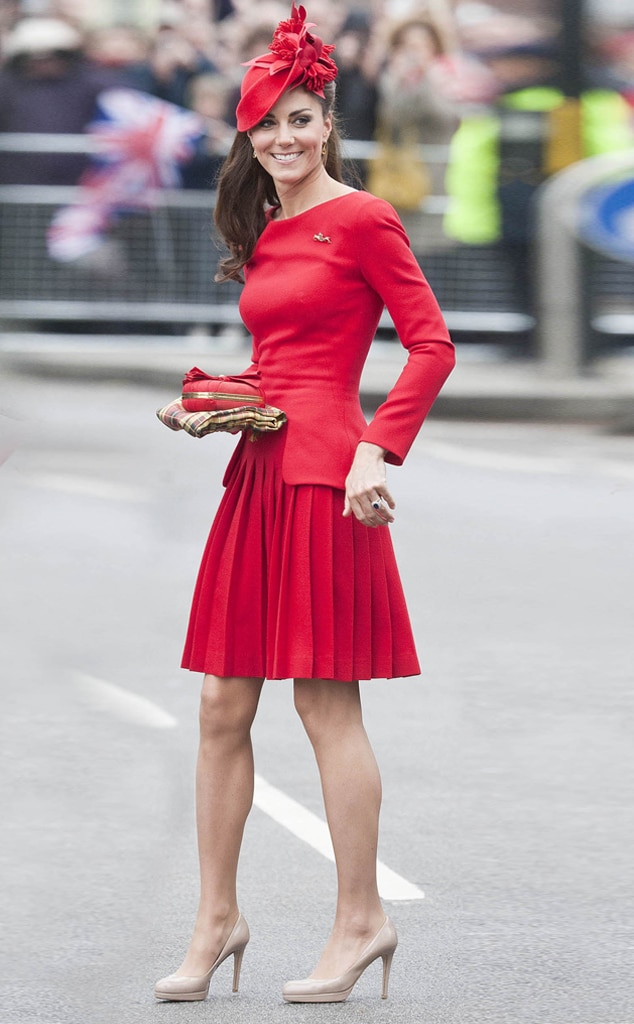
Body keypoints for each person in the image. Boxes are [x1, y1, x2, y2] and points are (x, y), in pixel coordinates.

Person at [154, 1, 455, 1005]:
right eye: (264, 123)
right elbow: (279, 364)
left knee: (324, 702)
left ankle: (361, 919)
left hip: (329, 473)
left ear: (327, 123)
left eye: (299, 118)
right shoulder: (270, 226)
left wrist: (380, 448)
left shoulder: (362, 217)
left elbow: (429, 343)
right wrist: (215, 401)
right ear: (246, 135)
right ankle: (217, 919)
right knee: (218, 704)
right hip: (257, 475)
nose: (282, 137)